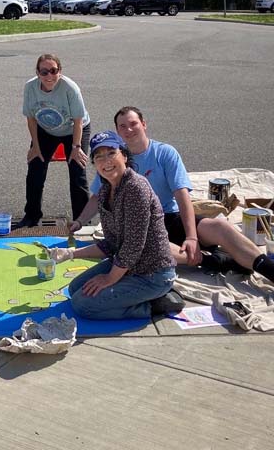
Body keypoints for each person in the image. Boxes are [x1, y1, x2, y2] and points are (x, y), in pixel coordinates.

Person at [73, 106, 274, 283]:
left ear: (144, 124)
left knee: (220, 226)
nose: (128, 130)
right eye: (122, 126)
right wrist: (80, 221)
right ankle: (214, 260)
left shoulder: (165, 153)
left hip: (169, 217)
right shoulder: (113, 161)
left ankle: (266, 269)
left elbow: (182, 195)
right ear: (117, 132)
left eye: (133, 124)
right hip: (138, 226)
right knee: (143, 248)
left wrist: (192, 237)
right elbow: (98, 195)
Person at [48, 131, 183, 320]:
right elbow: (111, 244)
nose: (106, 161)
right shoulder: (105, 191)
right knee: (74, 289)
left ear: (125, 156)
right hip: (127, 266)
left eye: (111, 153)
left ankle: (155, 305)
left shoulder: (136, 188)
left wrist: (110, 278)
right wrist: (70, 254)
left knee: (82, 305)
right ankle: (130, 293)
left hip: (152, 274)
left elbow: (133, 246)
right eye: (99, 156)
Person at [19, 53, 91, 228]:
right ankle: (32, 215)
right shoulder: (31, 87)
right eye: (44, 72)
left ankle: (82, 221)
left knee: (77, 173)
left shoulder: (70, 88)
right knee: (35, 169)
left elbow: (78, 121)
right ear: (37, 73)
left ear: (60, 71)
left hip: (74, 130)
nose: (49, 76)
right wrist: (35, 146)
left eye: (53, 71)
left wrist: (76, 147)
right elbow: (30, 118)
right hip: (45, 130)